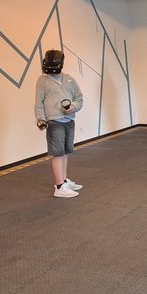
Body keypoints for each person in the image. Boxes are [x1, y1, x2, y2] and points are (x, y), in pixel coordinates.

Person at [35, 49, 84, 198]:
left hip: (69, 121)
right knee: (57, 153)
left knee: (65, 152)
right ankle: (59, 186)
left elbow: (79, 99)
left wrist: (72, 107)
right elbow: (38, 103)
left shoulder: (69, 80)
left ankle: (64, 180)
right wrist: (41, 119)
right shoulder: (42, 81)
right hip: (54, 122)